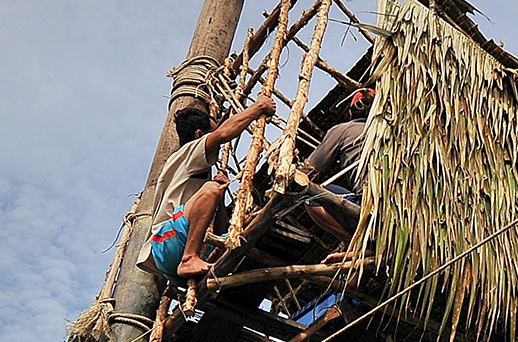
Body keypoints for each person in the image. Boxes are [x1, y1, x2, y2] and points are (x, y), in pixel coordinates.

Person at [141, 93, 276, 281]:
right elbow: (222, 134)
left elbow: (219, 229)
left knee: (215, 196)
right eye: (210, 135)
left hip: (176, 259)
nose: (217, 147)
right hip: (169, 241)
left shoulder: (195, 176)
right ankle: (189, 259)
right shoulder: (187, 153)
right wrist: (258, 107)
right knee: (210, 189)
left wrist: (219, 197)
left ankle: (193, 261)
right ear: (199, 135)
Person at [300, 87, 373, 242]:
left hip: (370, 209)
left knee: (311, 196)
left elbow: (310, 170)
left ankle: (354, 243)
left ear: (352, 112)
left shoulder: (345, 129)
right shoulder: (396, 132)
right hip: (408, 212)